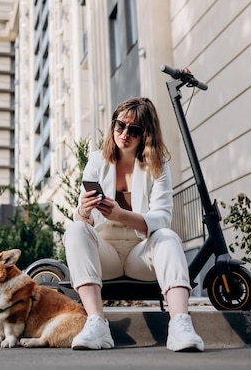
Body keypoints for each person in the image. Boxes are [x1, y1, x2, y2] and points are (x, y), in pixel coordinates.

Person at [64, 96, 204, 352]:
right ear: (113, 126)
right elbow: (86, 222)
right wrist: (83, 211)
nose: (125, 133)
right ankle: (97, 323)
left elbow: (162, 217)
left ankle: (180, 324)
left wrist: (120, 215)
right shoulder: (97, 161)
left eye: (134, 130)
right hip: (106, 255)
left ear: (146, 135)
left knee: (168, 236)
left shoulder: (158, 165)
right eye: (120, 126)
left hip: (142, 256)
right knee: (75, 229)